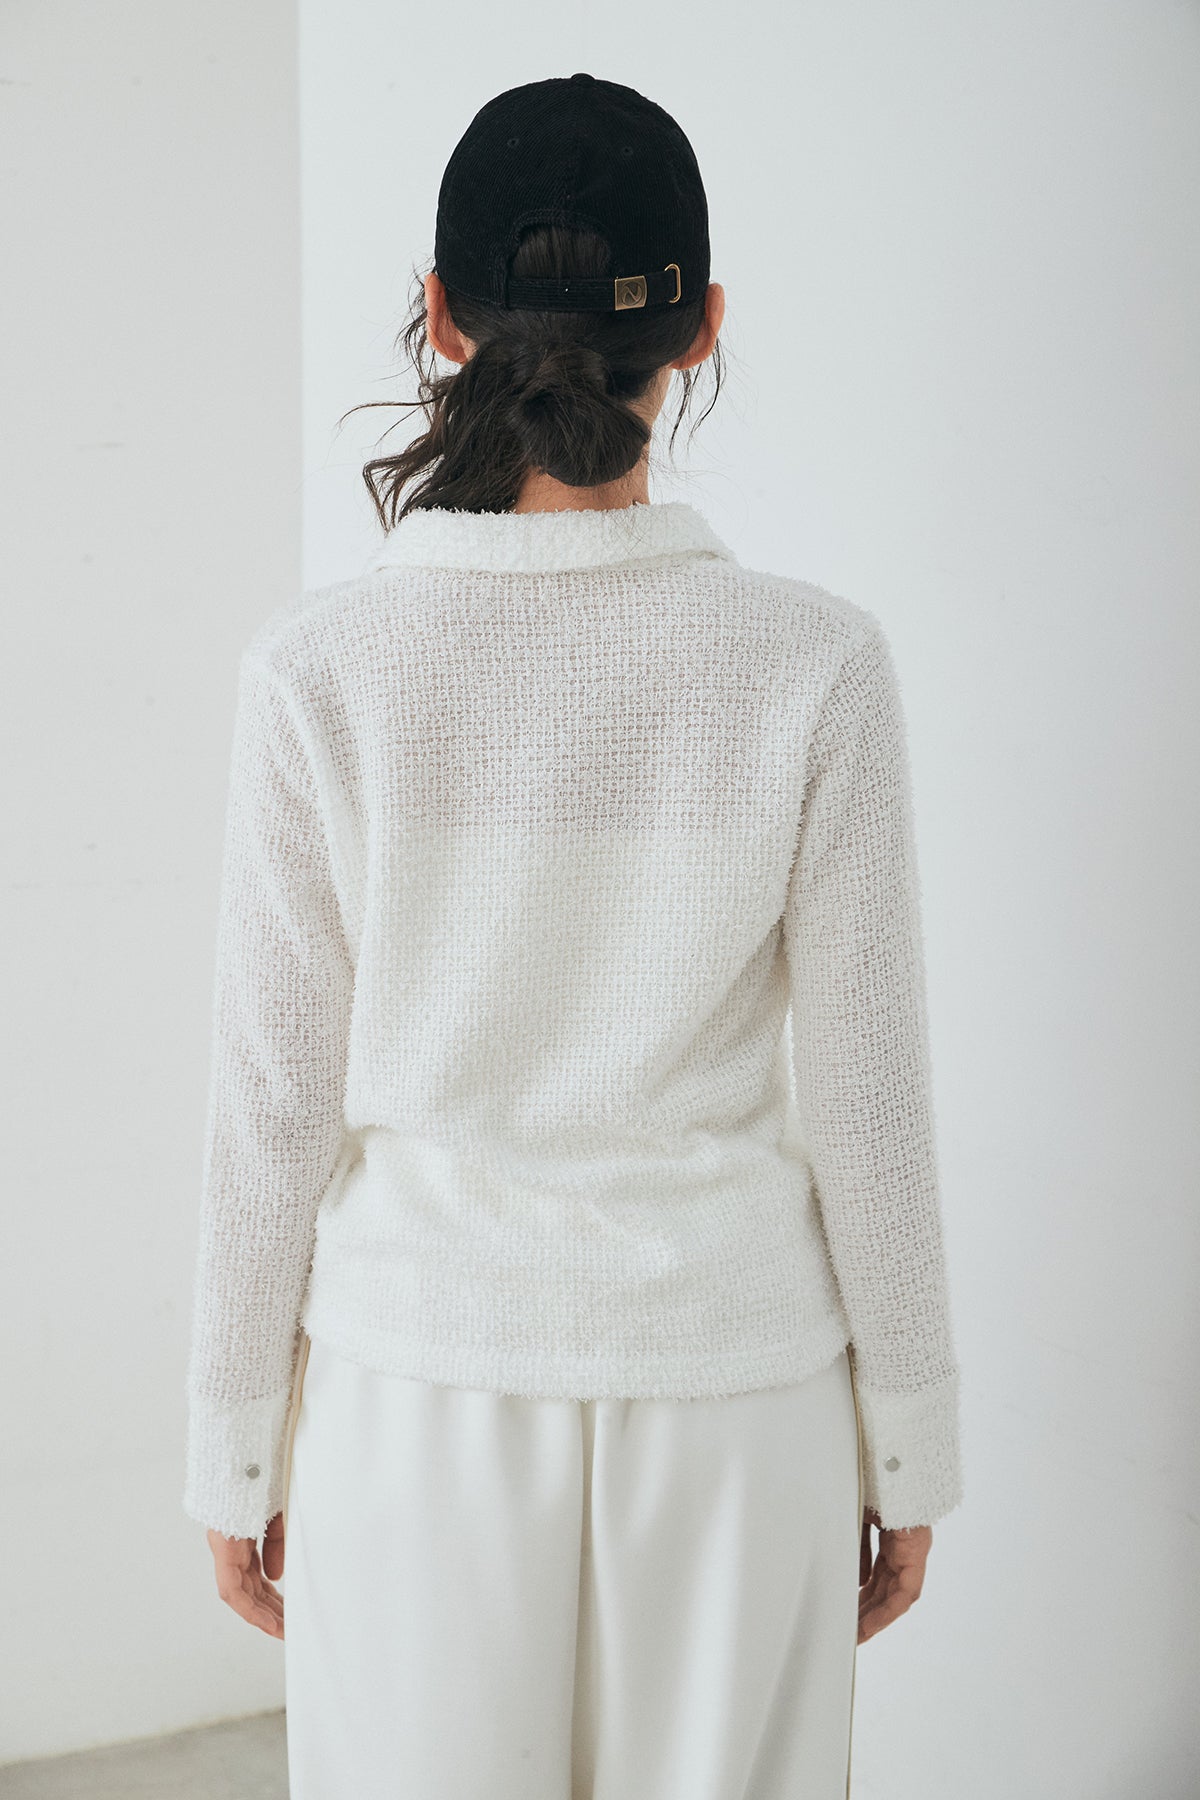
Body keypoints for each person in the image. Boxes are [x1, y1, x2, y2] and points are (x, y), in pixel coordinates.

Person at [182, 72, 963, 1799]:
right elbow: (868, 1101)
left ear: (442, 315)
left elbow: (271, 1106)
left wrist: (231, 1447)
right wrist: (909, 1445)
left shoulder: (319, 674)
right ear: (699, 330)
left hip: (417, 1401)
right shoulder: (816, 666)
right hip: (738, 1400)